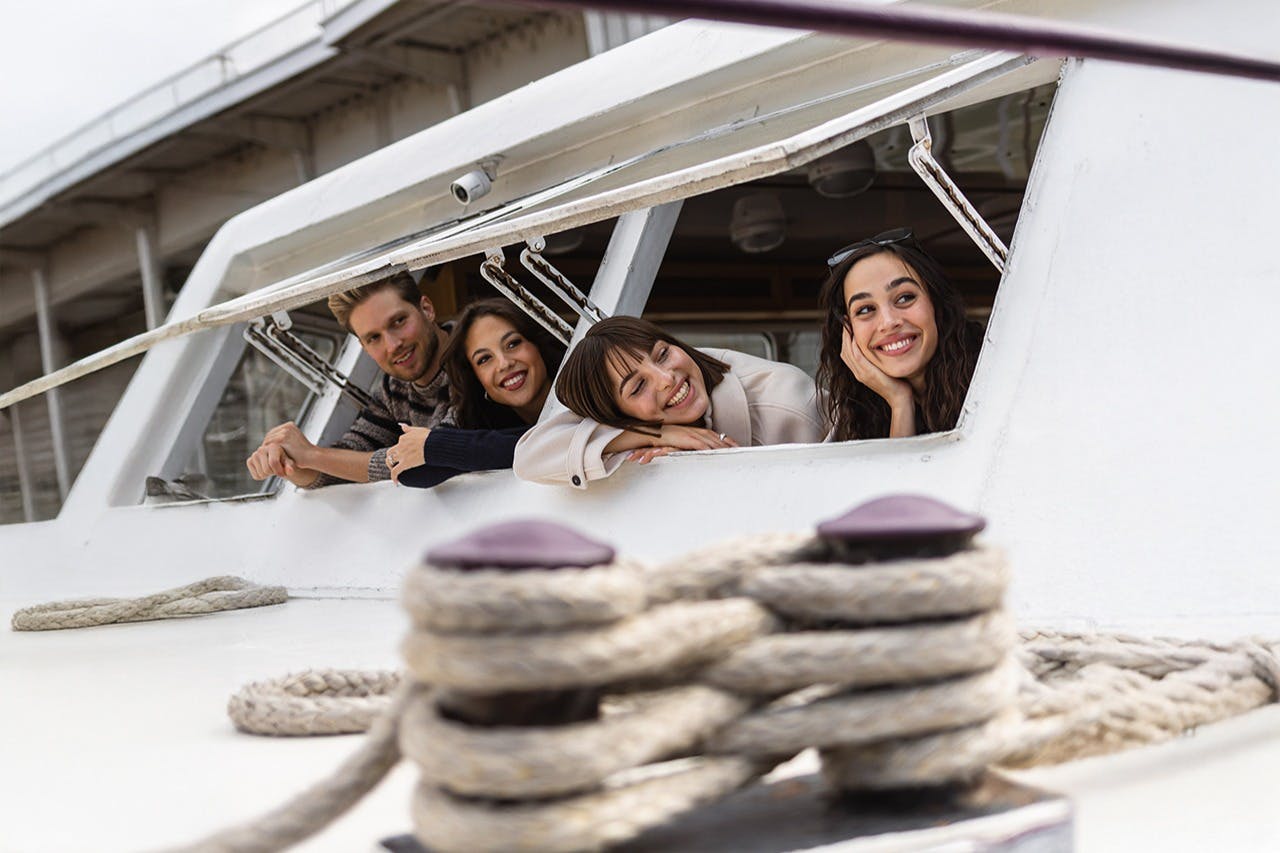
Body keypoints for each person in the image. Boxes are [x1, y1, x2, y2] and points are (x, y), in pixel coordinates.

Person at [514, 316, 824, 488]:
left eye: (663, 354)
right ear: (617, 415)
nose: (665, 378)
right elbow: (529, 457)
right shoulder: (643, 424)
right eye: (638, 386)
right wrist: (659, 435)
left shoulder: (787, 399)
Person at [244, 272, 452, 488]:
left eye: (398, 321)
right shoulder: (394, 388)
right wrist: (290, 464)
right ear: (364, 347)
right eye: (374, 338)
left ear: (426, 309)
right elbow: (352, 454)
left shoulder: (472, 361)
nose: (392, 345)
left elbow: (435, 456)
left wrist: (313, 456)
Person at [817, 227, 983, 441]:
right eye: (865, 310)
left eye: (904, 298)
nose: (888, 322)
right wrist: (900, 402)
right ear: (848, 332)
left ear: (936, 302)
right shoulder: (860, 417)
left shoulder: (995, 378)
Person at [387, 298, 565, 488]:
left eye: (513, 344)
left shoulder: (582, 384)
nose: (504, 363)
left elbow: (559, 440)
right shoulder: (484, 421)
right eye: (484, 359)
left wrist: (443, 447)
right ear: (477, 378)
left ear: (537, 344)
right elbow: (409, 471)